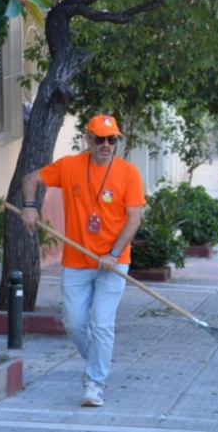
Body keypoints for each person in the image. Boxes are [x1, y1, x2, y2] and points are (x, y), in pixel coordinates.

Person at [21, 113, 145, 408]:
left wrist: (112, 254)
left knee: (102, 325)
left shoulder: (128, 173)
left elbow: (134, 219)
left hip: (114, 263)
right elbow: (31, 179)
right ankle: (97, 362)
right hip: (77, 260)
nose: (106, 145)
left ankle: (95, 382)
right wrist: (29, 206)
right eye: (99, 139)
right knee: (74, 323)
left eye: (111, 139)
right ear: (88, 139)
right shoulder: (69, 166)